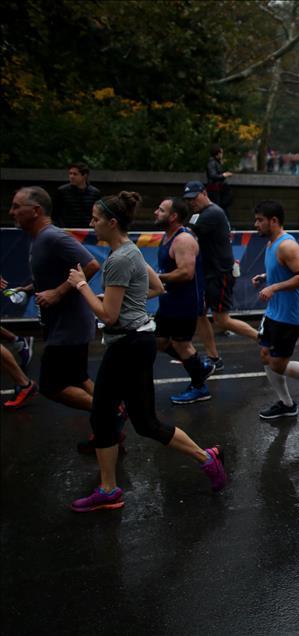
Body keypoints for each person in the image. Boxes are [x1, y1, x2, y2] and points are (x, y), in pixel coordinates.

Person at [66, 191, 227, 512]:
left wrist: (82, 285)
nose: (91, 224)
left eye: (96, 219)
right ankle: (205, 457)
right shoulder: (131, 252)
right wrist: (129, 302)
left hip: (126, 343)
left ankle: (109, 489)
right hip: (138, 339)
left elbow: (108, 315)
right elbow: (156, 287)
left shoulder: (119, 259)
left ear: (112, 223)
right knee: (144, 422)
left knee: (102, 414)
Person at [9, 186, 106, 448]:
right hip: (61, 324)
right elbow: (52, 272)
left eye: (17, 206)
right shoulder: (39, 239)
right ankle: (107, 432)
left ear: (36, 210)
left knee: (51, 386)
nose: (12, 212)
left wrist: (58, 293)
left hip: (70, 324)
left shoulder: (53, 237)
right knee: (78, 378)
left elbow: (91, 265)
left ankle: (110, 412)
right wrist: (29, 288)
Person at [183, 181, 259, 369]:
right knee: (200, 314)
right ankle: (214, 358)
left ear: (204, 193)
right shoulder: (199, 214)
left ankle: (263, 339)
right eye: (188, 199)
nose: (191, 202)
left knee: (221, 320)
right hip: (207, 272)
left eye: (194, 197)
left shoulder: (212, 213)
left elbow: (186, 234)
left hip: (219, 273)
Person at [250, 200, 299, 420]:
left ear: (273, 221)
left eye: (260, 220)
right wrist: (267, 277)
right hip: (274, 312)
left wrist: (274, 287)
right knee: (266, 355)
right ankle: (287, 404)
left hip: (290, 315)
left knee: (277, 363)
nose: (256, 224)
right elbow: (284, 269)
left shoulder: (288, 245)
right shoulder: (271, 243)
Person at [153, 197, 215, 405]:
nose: (155, 212)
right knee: (160, 341)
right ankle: (200, 366)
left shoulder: (183, 240)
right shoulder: (167, 236)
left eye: (161, 210)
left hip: (185, 302)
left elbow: (186, 273)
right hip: (169, 300)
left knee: (182, 345)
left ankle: (200, 386)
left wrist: (155, 277)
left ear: (173, 216)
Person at [52, 162, 101, 228]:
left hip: (87, 232)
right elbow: (54, 214)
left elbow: (97, 214)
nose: (71, 176)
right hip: (66, 231)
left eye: (75, 174)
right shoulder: (62, 191)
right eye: (70, 173)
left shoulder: (95, 193)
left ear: (84, 175)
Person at [205, 145, 233, 216]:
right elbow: (213, 175)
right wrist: (224, 175)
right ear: (217, 153)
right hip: (215, 189)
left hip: (218, 189)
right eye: (221, 153)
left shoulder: (216, 162)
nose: (222, 155)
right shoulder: (212, 162)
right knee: (217, 208)